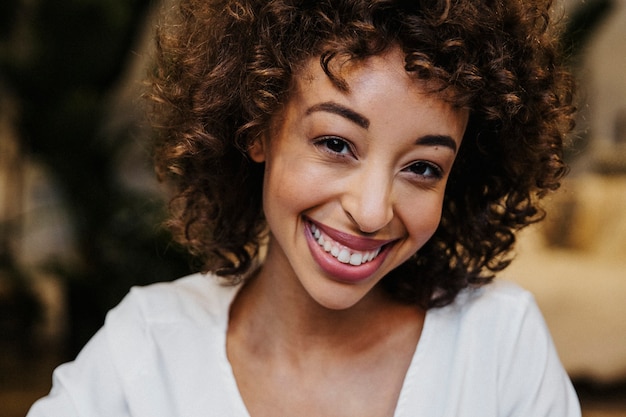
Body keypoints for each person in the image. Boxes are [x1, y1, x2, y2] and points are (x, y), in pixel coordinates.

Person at [28, 0, 580, 415]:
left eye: (422, 167)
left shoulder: (499, 343)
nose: (371, 211)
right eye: (336, 144)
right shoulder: (148, 346)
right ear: (257, 127)